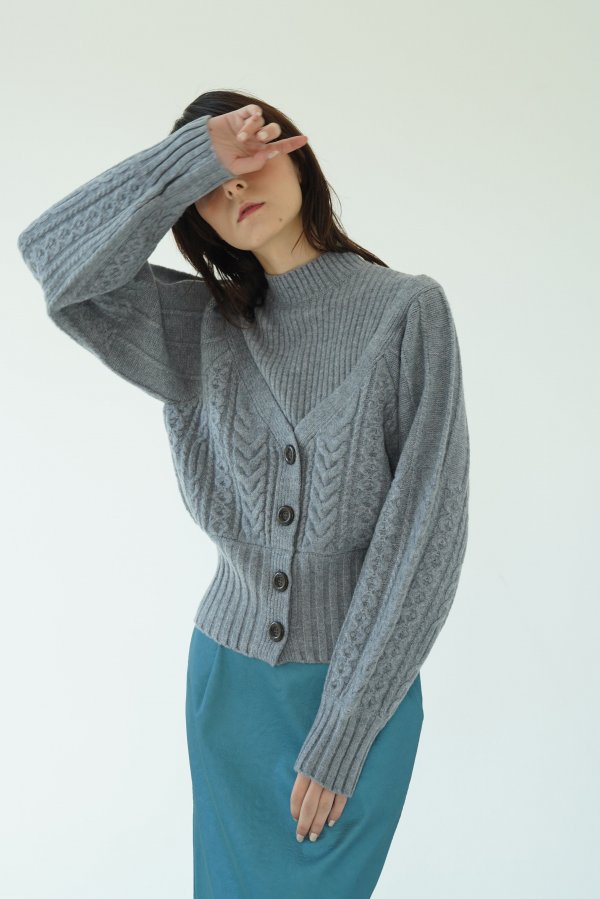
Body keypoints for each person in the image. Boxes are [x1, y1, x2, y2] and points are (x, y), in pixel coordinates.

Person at [17, 89, 470, 898]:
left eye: (252, 157)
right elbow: (54, 260)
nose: (235, 187)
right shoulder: (199, 326)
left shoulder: (406, 311)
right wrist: (189, 157)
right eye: (212, 183)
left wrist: (345, 728)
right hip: (228, 688)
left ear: (298, 153)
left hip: (359, 691)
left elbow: (426, 532)